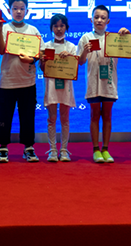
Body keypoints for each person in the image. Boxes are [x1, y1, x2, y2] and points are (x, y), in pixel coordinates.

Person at [0, 0, 44, 163]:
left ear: (27, 11)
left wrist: (32, 59)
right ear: (9, 10)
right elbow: (1, 50)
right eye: (15, 8)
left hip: (27, 81)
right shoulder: (4, 28)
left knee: (27, 116)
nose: (18, 11)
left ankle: (28, 147)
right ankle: (2, 148)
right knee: (4, 117)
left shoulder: (33, 30)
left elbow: (40, 53)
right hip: (7, 81)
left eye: (22, 9)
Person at [78, 5, 130, 163]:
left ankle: (105, 149)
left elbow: (128, 50)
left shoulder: (114, 38)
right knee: (94, 116)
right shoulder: (85, 38)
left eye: (103, 17)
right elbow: (80, 62)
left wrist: (126, 36)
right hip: (93, 83)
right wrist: (85, 51)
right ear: (91, 19)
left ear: (108, 21)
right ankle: (96, 150)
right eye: (96, 17)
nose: (99, 20)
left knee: (107, 116)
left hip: (109, 83)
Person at [40, 14, 76, 162]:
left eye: (62, 26)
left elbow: (75, 69)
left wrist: (70, 57)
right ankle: (53, 150)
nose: (59, 29)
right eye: (56, 26)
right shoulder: (46, 46)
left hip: (66, 86)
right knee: (52, 119)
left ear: (66, 28)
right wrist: (43, 60)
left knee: (65, 119)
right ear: (51, 28)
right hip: (51, 86)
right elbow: (42, 69)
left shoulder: (72, 47)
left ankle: (64, 150)